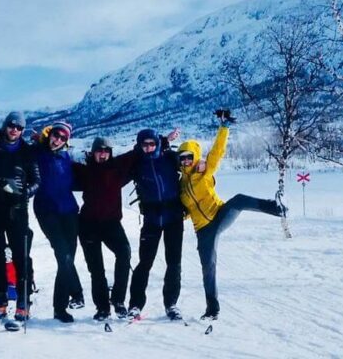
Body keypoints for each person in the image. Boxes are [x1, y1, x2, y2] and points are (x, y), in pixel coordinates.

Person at [178, 109, 287, 321]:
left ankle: (277, 208)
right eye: (182, 159)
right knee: (208, 267)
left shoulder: (204, 171)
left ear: (195, 156)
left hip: (220, 214)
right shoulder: (180, 185)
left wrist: (224, 127)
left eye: (189, 157)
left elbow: (217, 151)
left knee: (238, 200)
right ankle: (212, 309)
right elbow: (186, 211)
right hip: (203, 230)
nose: (186, 162)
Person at [0, 111, 40, 322]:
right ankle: (0, 300)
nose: (15, 130)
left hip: (17, 212)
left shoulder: (27, 152)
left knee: (21, 257)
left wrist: (22, 193)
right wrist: (1, 185)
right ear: (5, 126)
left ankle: (23, 301)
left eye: (19, 128)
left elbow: (36, 181)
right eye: (12, 125)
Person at [119, 127, 184, 322]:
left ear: (157, 144)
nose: (149, 148)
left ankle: (171, 304)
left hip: (173, 218)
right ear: (139, 146)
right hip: (151, 219)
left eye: (152, 143)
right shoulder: (136, 164)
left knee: (174, 263)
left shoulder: (170, 158)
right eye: (144, 144)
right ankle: (135, 305)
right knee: (144, 263)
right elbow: (117, 177)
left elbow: (191, 166)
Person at [74, 136, 133, 321]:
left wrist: (162, 142)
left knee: (124, 253)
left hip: (111, 224)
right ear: (93, 152)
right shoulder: (84, 171)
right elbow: (59, 165)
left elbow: (137, 153)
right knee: (96, 269)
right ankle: (102, 308)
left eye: (106, 151)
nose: (103, 154)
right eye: (99, 150)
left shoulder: (117, 169)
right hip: (88, 225)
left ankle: (118, 300)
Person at [32, 121, 85, 323]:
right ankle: (76, 292)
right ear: (50, 134)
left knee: (68, 258)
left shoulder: (66, 157)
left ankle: (60, 308)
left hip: (69, 211)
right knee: (63, 255)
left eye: (63, 138)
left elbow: (73, 180)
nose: (58, 140)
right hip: (46, 211)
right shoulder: (38, 152)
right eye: (56, 135)